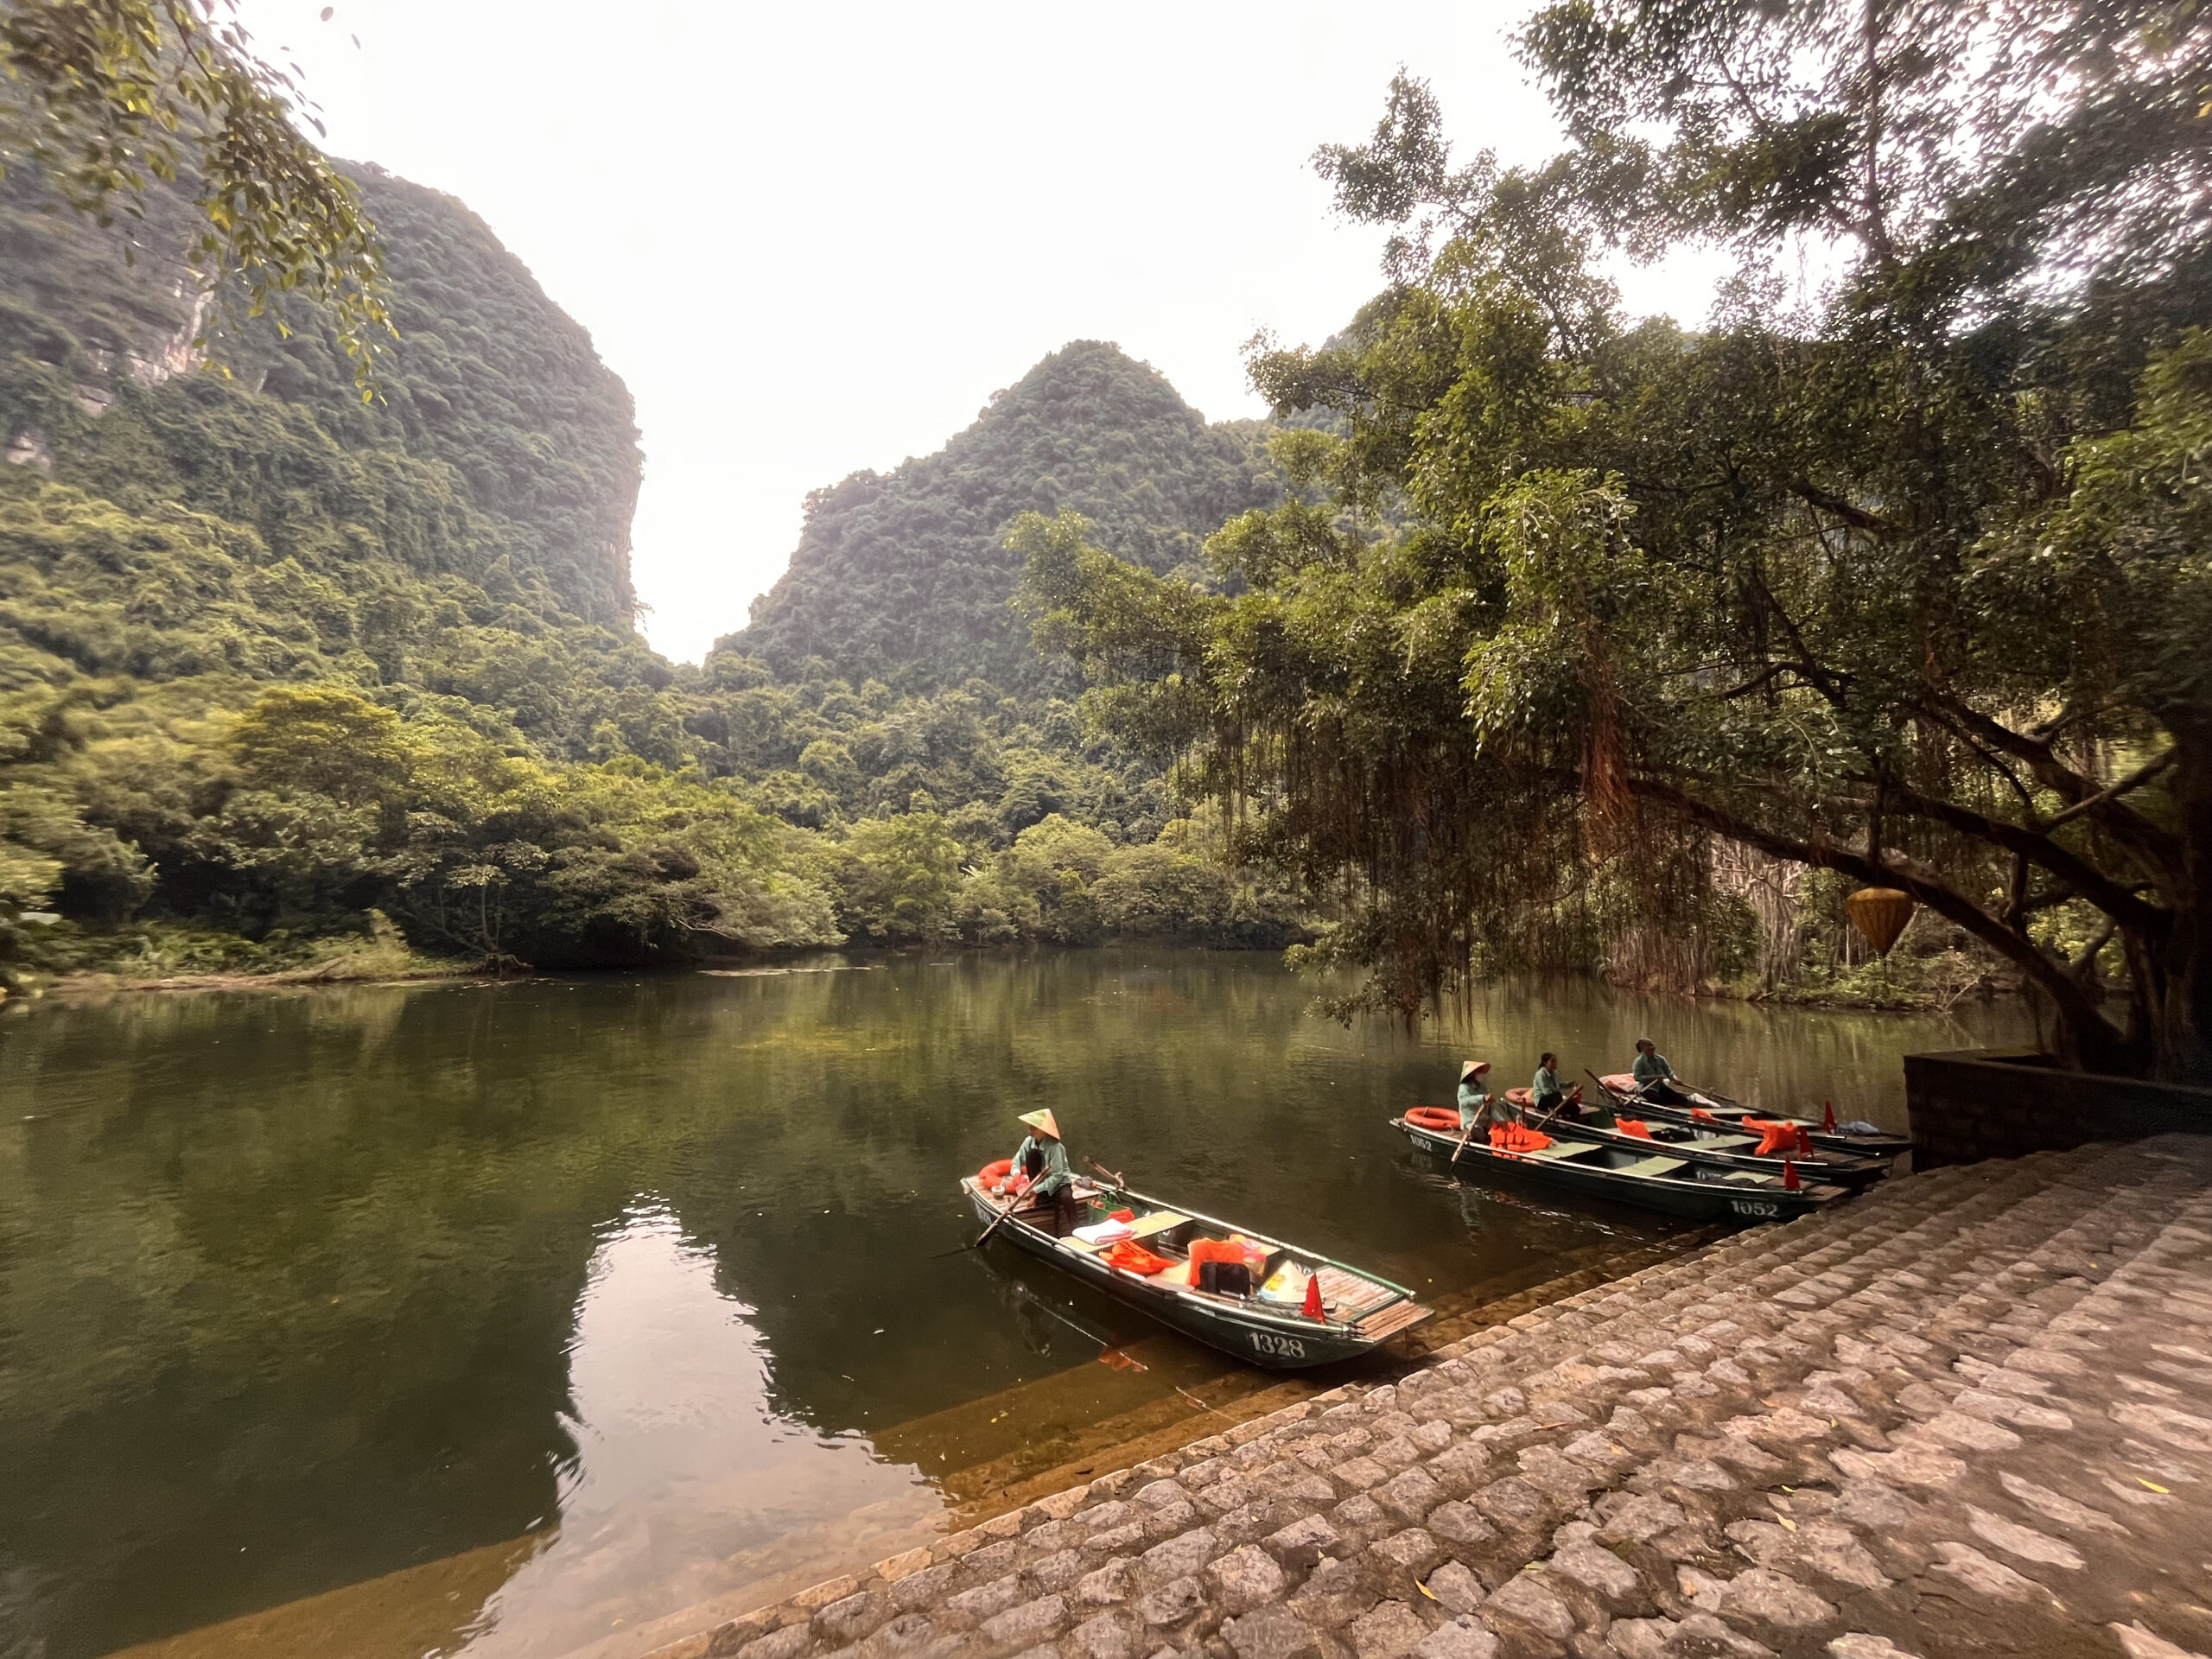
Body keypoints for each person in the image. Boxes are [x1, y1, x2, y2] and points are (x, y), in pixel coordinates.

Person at [1007, 1109, 1082, 1236]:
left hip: (1058, 1185)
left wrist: (1035, 1191)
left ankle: (1076, 1230)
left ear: (1043, 1130)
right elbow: (1016, 1161)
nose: (1030, 1131)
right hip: (1038, 1184)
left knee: (1067, 1197)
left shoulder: (1055, 1147)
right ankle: (1039, 1197)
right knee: (1032, 1154)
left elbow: (1057, 1176)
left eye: (1034, 1128)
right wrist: (1016, 1174)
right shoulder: (1028, 1142)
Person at [1531, 1053, 1580, 1121]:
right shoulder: (1541, 1074)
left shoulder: (1554, 1073)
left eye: (1555, 1062)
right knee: (1557, 1095)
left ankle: (1573, 1124)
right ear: (1545, 1063)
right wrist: (1563, 1099)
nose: (1555, 1064)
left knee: (1575, 1107)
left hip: (1554, 1100)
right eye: (1552, 1062)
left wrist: (1569, 1084)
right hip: (1542, 1102)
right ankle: (1559, 1115)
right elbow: (1547, 1092)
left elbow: (1558, 1084)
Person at [1456, 1061, 1498, 1135]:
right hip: (1471, 1123)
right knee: (1482, 1138)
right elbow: (1465, 1101)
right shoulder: (1464, 1087)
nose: (1482, 1074)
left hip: (1485, 1122)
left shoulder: (1483, 1087)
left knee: (1498, 1133)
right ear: (1472, 1074)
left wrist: (1500, 1120)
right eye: (1479, 1072)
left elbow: (1491, 1108)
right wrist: (1482, 1098)